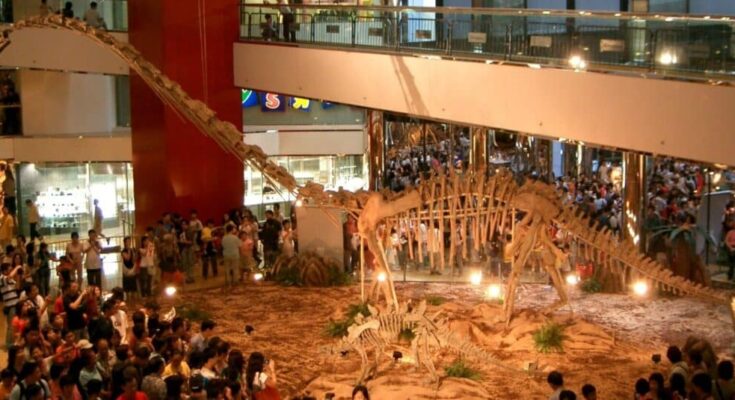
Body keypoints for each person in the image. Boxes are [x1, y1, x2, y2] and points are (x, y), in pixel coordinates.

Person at [1, 263, 21, 348]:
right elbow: (9, 277)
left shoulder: (10, 279)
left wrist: (19, 275)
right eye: (9, 269)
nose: (11, 271)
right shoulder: (2, 278)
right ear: (5, 270)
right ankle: (8, 344)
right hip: (10, 305)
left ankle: (12, 342)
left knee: (15, 324)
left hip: (15, 304)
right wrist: (17, 267)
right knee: (11, 325)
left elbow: (18, 287)